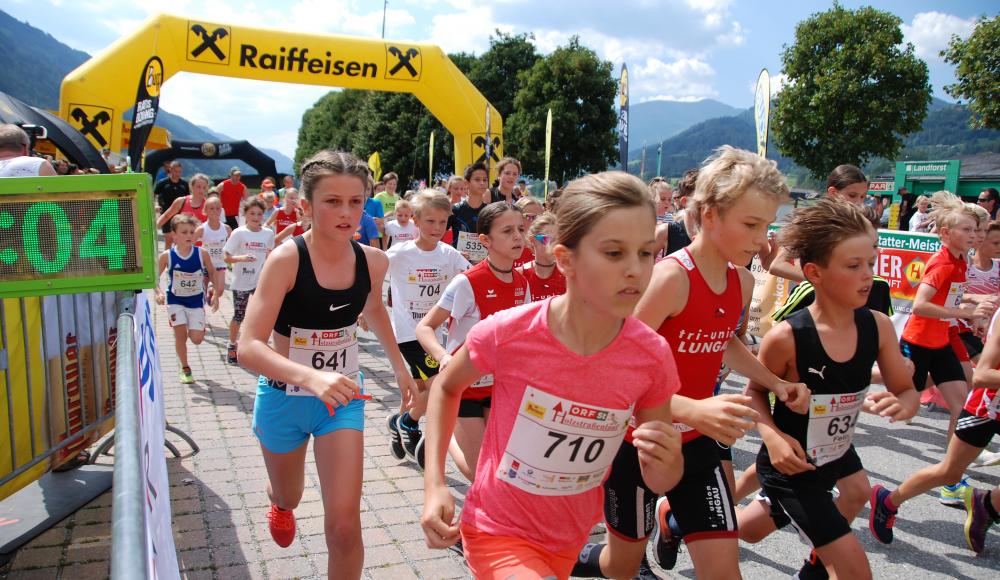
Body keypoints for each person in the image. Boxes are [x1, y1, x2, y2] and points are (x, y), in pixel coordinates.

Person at [421, 172, 683, 580]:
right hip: (497, 527)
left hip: (569, 539)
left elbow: (659, 476)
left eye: (646, 253)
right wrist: (435, 483)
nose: (635, 269)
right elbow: (447, 386)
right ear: (565, 259)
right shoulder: (508, 331)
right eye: (614, 253)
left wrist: (669, 460)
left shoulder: (651, 355)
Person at [574, 147, 810, 580]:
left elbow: (723, 343)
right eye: (752, 225)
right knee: (621, 567)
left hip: (698, 445)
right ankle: (575, 558)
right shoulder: (670, 279)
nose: (762, 240)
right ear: (711, 214)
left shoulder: (741, 280)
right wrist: (692, 408)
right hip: (637, 442)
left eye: (767, 226)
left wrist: (774, 382)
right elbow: (614, 369)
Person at [237, 150, 416, 578]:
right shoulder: (286, 259)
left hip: (342, 401)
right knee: (291, 494)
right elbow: (248, 347)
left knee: (343, 526)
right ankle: (280, 504)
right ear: (306, 207)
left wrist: (399, 364)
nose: (346, 212)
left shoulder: (373, 260)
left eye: (356, 201)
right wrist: (311, 377)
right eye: (332, 201)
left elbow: (374, 307)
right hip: (284, 397)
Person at [736, 199, 917, 579]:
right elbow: (754, 392)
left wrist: (906, 402)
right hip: (792, 459)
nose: (868, 276)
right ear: (814, 273)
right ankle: (688, 518)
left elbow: (906, 388)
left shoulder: (879, 326)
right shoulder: (788, 337)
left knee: (854, 493)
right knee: (854, 571)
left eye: (872, 263)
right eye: (853, 266)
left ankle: (816, 566)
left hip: (835, 448)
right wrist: (772, 438)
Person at [871, 302, 1000, 554]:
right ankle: (887, 500)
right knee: (950, 473)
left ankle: (988, 506)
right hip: (987, 409)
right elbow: (982, 375)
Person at [415, 202, 530, 482]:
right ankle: (437, 439)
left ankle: (439, 436)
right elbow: (425, 327)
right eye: (507, 231)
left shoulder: (521, 283)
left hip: (498, 384)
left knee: (500, 466)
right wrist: (443, 357)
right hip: (463, 384)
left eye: (520, 229)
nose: (518, 237)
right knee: (481, 475)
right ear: (485, 240)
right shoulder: (467, 282)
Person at [896, 191, 994, 506]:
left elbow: (951, 300)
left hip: (942, 342)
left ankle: (952, 480)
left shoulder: (961, 261)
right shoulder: (942, 264)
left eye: (976, 230)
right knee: (901, 405)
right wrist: (966, 313)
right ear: (946, 234)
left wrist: (974, 307)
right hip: (919, 341)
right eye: (968, 230)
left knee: (960, 404)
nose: (974, 236)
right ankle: (853, 387)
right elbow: (922, 305)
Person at [384, 190, 470, 468]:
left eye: (442, 223)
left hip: (437, 334)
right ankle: (409, 423)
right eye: (430, 221)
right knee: (440, 383)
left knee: (419, 389)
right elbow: (370, 272)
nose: (436, 228)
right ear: (416, 221)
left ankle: (399, 422)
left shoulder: (450, 254)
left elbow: (472, 277)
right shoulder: (399, 254)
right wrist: (364, 308)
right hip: (410, 334)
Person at [769, 164, 868, 282]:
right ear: (833, 193)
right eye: (852, 195)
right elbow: (778, 265)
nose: (859, 202)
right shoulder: (813, 222)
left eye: (863, 197)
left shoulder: (858, 225)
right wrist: (826, 282)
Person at [154, 214, 221, 384]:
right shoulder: (167, 256)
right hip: (175, 301)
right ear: (174, 235)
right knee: (180, 335)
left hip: (195, 301)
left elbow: (212, 272)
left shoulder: (201, 254)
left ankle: (196, 329)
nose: (189, 236)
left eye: (191, 232)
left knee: (197, 339)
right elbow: (155, 278)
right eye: (184, 232)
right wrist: (158, 293)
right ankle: (185, 367)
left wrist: (214, 290)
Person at [223, 197, 276, 365]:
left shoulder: (268, 233)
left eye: (259, 214)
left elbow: (271, 255)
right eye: (252, 213)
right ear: (245, 214)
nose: (255, 216)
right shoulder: (239, 233)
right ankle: (232, 345)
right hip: (241, 283)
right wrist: (242, 258)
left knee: (262, 316)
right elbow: (227, 257)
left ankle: (258, 347)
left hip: (260, 283)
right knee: (239, 316)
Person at [519, 212, 566, 302]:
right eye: (547, 239)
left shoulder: (566, 275)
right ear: (532, 240)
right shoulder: (520, 274)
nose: (553, 245)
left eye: (558, 240)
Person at [450, 163, 490, 262]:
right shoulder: (456, 209)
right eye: (477, 180)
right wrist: (454, 253)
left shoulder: (490, 211)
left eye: (485, 180)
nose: (482, 183)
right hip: (460, 264)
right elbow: (439, 237)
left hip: (483, 265)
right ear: (466, 183)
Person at [194, 196, 231, 298]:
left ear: (221, 210)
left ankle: (212, 290)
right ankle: (202, 308)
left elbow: (233, 244)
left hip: (220, 262)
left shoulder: (226, 228)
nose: (215, 211)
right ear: (205, 211)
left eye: (218, 208)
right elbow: (190, 244)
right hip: (205, 263)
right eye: (211, 208)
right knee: (202, 292)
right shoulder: (201, 229)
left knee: (220, 290)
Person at [154, 161, 190, 249]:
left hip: (180, 216)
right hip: (166, 214)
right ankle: (167, 261)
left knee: (179, 240)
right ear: (170, 170)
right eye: (175, 171)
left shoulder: (184, 184)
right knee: (169, 239)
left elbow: (188, 199)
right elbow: (153, 195)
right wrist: (155, 206)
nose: (177, 173)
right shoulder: (162, 183)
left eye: (179, 171)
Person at [513, 196, 543, 269]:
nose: (537, 221)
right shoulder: (506, 247)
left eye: (541, 217)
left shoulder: (548, 245)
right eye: (531, 217)